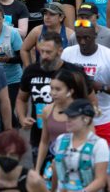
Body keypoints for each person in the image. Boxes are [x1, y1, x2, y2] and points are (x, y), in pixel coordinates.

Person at [16, 32, 90, 165]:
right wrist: (22, 117)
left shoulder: (74, 73)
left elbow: (90, 101)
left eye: (48, 52)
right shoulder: (31, 71)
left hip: (70, 135)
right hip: (39, 136)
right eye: (41, 51)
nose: (44, 56)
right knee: (42, 180)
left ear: (60, 51)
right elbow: (21, 98)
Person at [61, 19, 110, 144]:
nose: (83, 42)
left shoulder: (109, 55)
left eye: (87, 37)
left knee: (101, 160)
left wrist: (99, 86)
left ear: (95, 36)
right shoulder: (67, 53)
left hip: (102, 119)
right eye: (79, 38)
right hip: (72, 118)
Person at [34, 67, 90, 173]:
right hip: (54, 164)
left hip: (78, 167)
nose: (53, 93)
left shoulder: (83, 111)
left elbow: (90, 142)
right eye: (51, 88)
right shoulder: (47, 110)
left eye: (58, 89)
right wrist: (37, 169)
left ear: (70, 91)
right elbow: (44, 142)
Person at [51, 99, 109, 191]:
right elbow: (56, 169)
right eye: (67, 116)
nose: (68, 120)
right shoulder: (61, 139)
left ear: (86, 119)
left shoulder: (100, 144)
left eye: (72, 117)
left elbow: (101, 181)